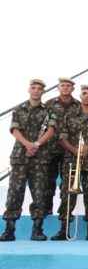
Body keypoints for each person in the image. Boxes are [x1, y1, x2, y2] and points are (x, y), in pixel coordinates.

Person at [0, 79, 56, 242]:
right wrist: (28, 145)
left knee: (39, 193)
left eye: (39, 89)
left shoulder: (48, 110)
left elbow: (51, 130)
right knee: (14, 193)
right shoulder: (19, 109)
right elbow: (15, 130)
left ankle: (37, 230)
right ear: (29, 89)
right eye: (34, 88)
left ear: (43, 92)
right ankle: (9, 230)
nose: (36, 91)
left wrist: (37, 144)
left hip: (40, 158)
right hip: (20, 156)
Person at [53, 84, 88, 241]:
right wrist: (74, 150)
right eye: (84, 93)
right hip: (71, 161)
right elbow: (62, 137)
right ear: (80, 96)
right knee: (67, 195)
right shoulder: (69, 115)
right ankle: (63, 230)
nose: (87, 96)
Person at [43, 78, 81, 217]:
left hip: (69, 149)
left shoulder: (78, 105)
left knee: (67, 182)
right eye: (63, 85)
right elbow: (42, 125)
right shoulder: (49, 104)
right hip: (50, 148)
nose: (65, 88)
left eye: (68, 86)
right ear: (58, 88)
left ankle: (64, 211)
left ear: (72, 89)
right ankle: (47, 208)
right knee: (48, 180)